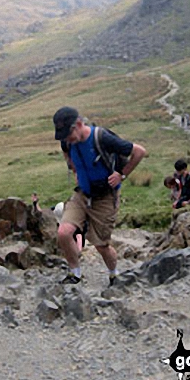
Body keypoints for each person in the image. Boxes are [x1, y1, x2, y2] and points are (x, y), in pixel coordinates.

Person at [53, 106, 147, 286]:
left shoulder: (102, 138)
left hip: (105, 197)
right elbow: (67, 152)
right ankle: (75, 274)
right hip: (82, 194)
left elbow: (139, 151)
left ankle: (113, 274)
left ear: (79, 125)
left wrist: (122, 174)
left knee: (101, 245)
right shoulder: (67, 141)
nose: (67, 140)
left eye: (68, 135)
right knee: (64, 233)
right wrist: (73, 167)